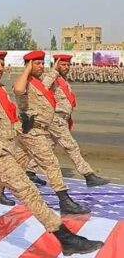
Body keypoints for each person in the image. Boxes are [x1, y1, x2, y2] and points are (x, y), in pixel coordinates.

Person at [0, 50, 102, 257]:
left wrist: (21, 123)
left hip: (2, 148)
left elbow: (6, 120)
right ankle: (64, 237)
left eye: (1, 64)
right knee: (28, 191)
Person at [12, 50, 88, 215]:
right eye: (37, 63)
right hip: (31, 131)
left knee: (15, 165)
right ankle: (64, 200)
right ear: (29, 65)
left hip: (39, 129)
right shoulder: (25, 81)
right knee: (51, 164)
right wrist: (27, 69)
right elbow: (18, 90)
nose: (41, 66)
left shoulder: (38, 82)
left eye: (41, 63)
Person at [26, 53, 109, 188]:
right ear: (56, 63)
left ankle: (29, 171)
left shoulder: (62, 79)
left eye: (68, 64)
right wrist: (53, 71)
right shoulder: (50, 76)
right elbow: (43, 88)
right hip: (55, 119)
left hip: (62, 119)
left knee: (47, 147)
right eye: (63, 64)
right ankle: (88, 175)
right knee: (71, 147)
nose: (66, 67)